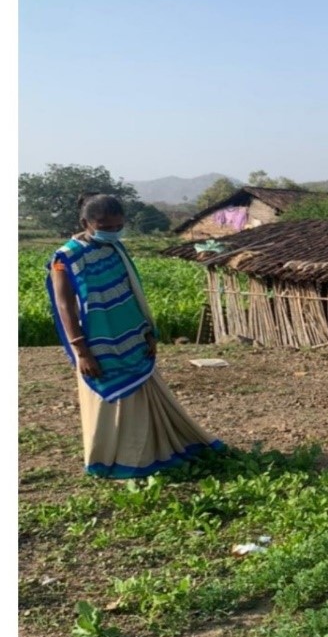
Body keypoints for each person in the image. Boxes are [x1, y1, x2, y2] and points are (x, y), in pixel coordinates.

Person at [46, 193, 223, 477]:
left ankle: (156, 449)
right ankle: (113, 459)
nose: (113, 231)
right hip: (97, 343)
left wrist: (147, 332)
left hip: (131, 336)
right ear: (86, 222)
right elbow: (64, 304)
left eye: (118, 226)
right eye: (105, 225)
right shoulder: (66, 257)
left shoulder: (115, 248)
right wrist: (82, 351)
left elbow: (131, 292)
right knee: (109, 402)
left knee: (143, 396)